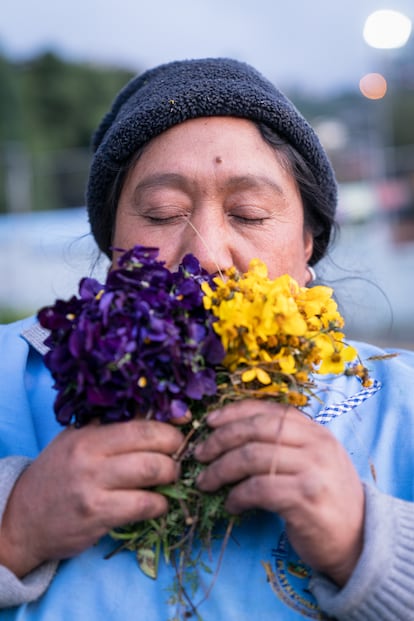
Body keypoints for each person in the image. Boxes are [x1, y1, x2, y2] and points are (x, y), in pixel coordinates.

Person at [1, 57, 414, 621]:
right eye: (163, 213)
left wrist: (371, 544)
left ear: (307, 243)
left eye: (249, 213)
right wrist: (14, 527)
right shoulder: (8, 376)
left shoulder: (400, 404)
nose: (206, 255)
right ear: (113, 243)